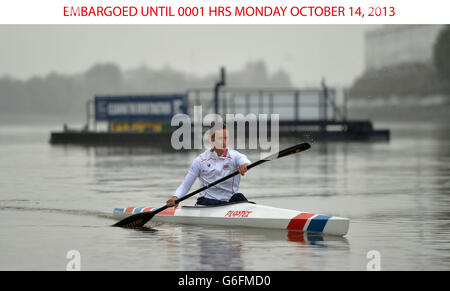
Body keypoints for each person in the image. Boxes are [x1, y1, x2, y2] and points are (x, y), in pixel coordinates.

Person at [166, 125, 250, 207]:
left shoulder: (235, 156)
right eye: (220, 138)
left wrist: (245, 165)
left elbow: (246, 161)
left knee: (239, 197)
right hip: (207, 202)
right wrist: (176, 197)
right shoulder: (200, 160)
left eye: (225, 138)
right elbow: (186, 185)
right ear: (212, 138)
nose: (224, 142)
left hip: (230, 201)